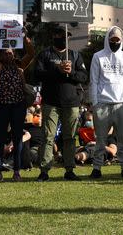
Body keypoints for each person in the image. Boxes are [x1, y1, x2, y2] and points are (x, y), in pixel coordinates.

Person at [35, 25, 88, 182]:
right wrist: (57, 70)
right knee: (47, 136)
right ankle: (44, 170)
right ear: (54, 36)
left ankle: (70, 169)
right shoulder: (45, 54)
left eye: (66, 35)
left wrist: (70, 72)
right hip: (50, 102)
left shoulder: (75, 55)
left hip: (71, 102)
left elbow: (84, 77)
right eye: (60, 35)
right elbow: (37, 74)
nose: (63, 38)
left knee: (70, 137)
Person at [88, 26, 123, 179]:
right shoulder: (98, 57)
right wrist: (95, 103)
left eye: (117, 39)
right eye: (112, 39)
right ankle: (97, 168)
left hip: (122, 104)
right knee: (100, 139)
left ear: (121, 40)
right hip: (102, 104)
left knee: (122, 138)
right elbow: (93, 81)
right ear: (107, 39)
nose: (115, 42)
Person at [0, 48, 26, 182]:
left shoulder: (19, 67)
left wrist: (25, 39)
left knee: (17, 138)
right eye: (5, 53)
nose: (8, 55)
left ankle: (17, 171)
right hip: (2, 105)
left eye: (10, 53)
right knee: (0, 138)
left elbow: (30, 53)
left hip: (18, 105)